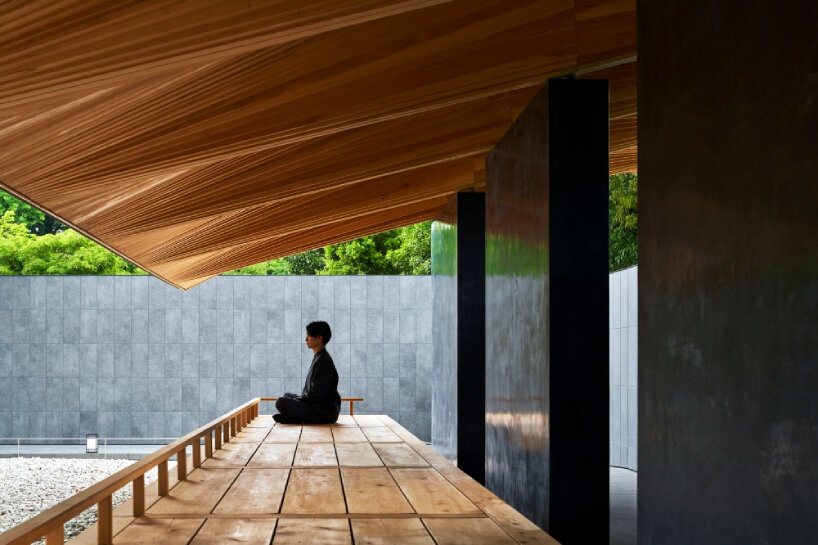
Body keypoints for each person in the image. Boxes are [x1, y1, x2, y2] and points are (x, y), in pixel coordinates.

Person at [274, 321, 341, 424]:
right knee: (287, 395)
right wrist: (298, 398)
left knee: (281, 402)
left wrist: (300, 398)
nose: (306, 340)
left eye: (309, 336)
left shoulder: (323, 361)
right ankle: (295, 417)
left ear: (319, 338)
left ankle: (296, 418)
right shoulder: (319, 357)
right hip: (317, 406)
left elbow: (316, 395)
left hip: (325, 412)